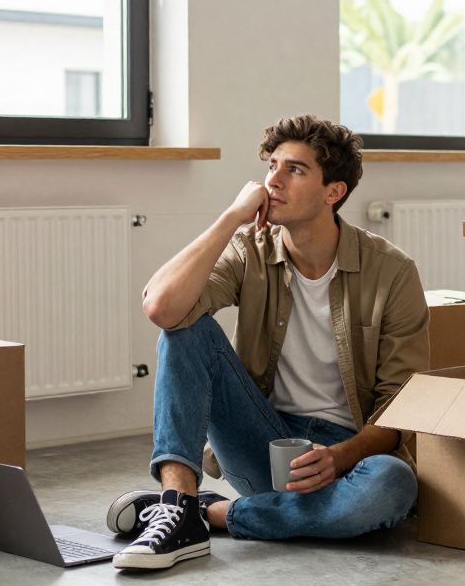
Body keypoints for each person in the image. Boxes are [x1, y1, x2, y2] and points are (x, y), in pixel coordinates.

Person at [107, 115, 428, 570]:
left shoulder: (392, 272)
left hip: (347, 452)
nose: (272, 181)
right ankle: (177, 503)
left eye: (294, 170)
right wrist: (231, 217)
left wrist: (339, 458)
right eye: (271, 166)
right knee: (185, 327)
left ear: (333, 192)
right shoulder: (250, 248)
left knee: (392, 486)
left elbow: (402, 408)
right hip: (262, 439)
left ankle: (208, 513)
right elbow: (161, 306)